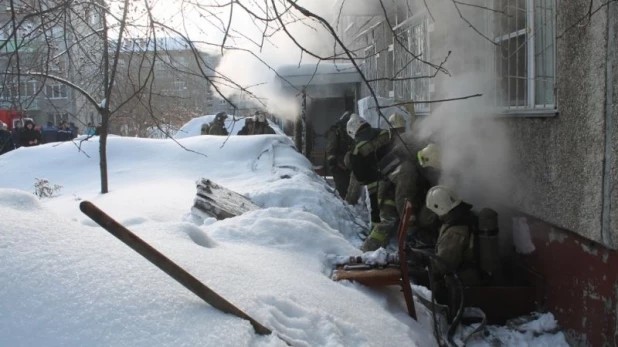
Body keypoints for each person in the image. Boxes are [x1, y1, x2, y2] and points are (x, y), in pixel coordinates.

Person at [346, 113, 427, 252]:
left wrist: (348, 202)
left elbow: (355, 182)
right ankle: (406, 242)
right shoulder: (384, 134)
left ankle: (370, 249)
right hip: (395, 180)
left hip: (386, 184)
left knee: (385, 219)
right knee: (394, 212)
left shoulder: (358, 150)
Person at [425, 185, 481, 320]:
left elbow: (443, 265)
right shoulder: (461, 217)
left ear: (441, 208)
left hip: (463, 279)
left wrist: (421, 261)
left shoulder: (455, 231)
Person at [326, 111, 354, 200]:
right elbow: (331, 148)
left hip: (347, 164)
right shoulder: (336, 131)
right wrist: (334, 163)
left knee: (348, 187)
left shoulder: (347, 131)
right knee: (342, 189)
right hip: (338, 165)